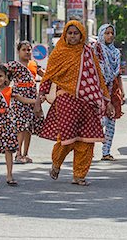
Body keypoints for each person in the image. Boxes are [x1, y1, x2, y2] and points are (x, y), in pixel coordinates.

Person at [34, 20, 115, 186]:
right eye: (69, 33)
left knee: (87, 138)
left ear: (81, 35)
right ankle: (57, 163)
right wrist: (39, 99)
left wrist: (107, 101)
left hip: (87, 101)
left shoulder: (88, 52)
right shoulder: (59, 52)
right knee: (67, 137)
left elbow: (98, 77)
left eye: (75, 33)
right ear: (65, 34)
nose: (72, 36)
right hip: (66, 99)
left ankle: (79, 175)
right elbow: (48, 76)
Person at [0, 65, 32, 186]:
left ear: (6, 77)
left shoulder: (10, 90)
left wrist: (37, 101)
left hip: (7, 122)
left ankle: (9, 174)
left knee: (9, 148)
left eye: (1, 76)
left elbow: (22, 99)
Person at [6, 41, 45, 164]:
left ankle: (25, 154)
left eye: (29, 50)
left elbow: (45, 75)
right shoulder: (14, 65)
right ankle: (18, 154)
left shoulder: (34, 64)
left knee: (29, 127)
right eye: (24, 50)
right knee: (21, 127)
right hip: (19, 98)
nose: (27, 52)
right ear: (18, 51)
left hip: (32, 97)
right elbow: (2, 74)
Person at [94, 24, 125, 161]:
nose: (110, 36)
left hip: (113, 90)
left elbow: (118, 74)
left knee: (111, 121)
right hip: (99, 89)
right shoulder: (97, 50)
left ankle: (106, 152)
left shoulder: (116, 53)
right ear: (101, 34)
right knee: (99, 121)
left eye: (112, 33)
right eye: (107, 33)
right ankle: (87, 149)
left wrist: (122, 92)